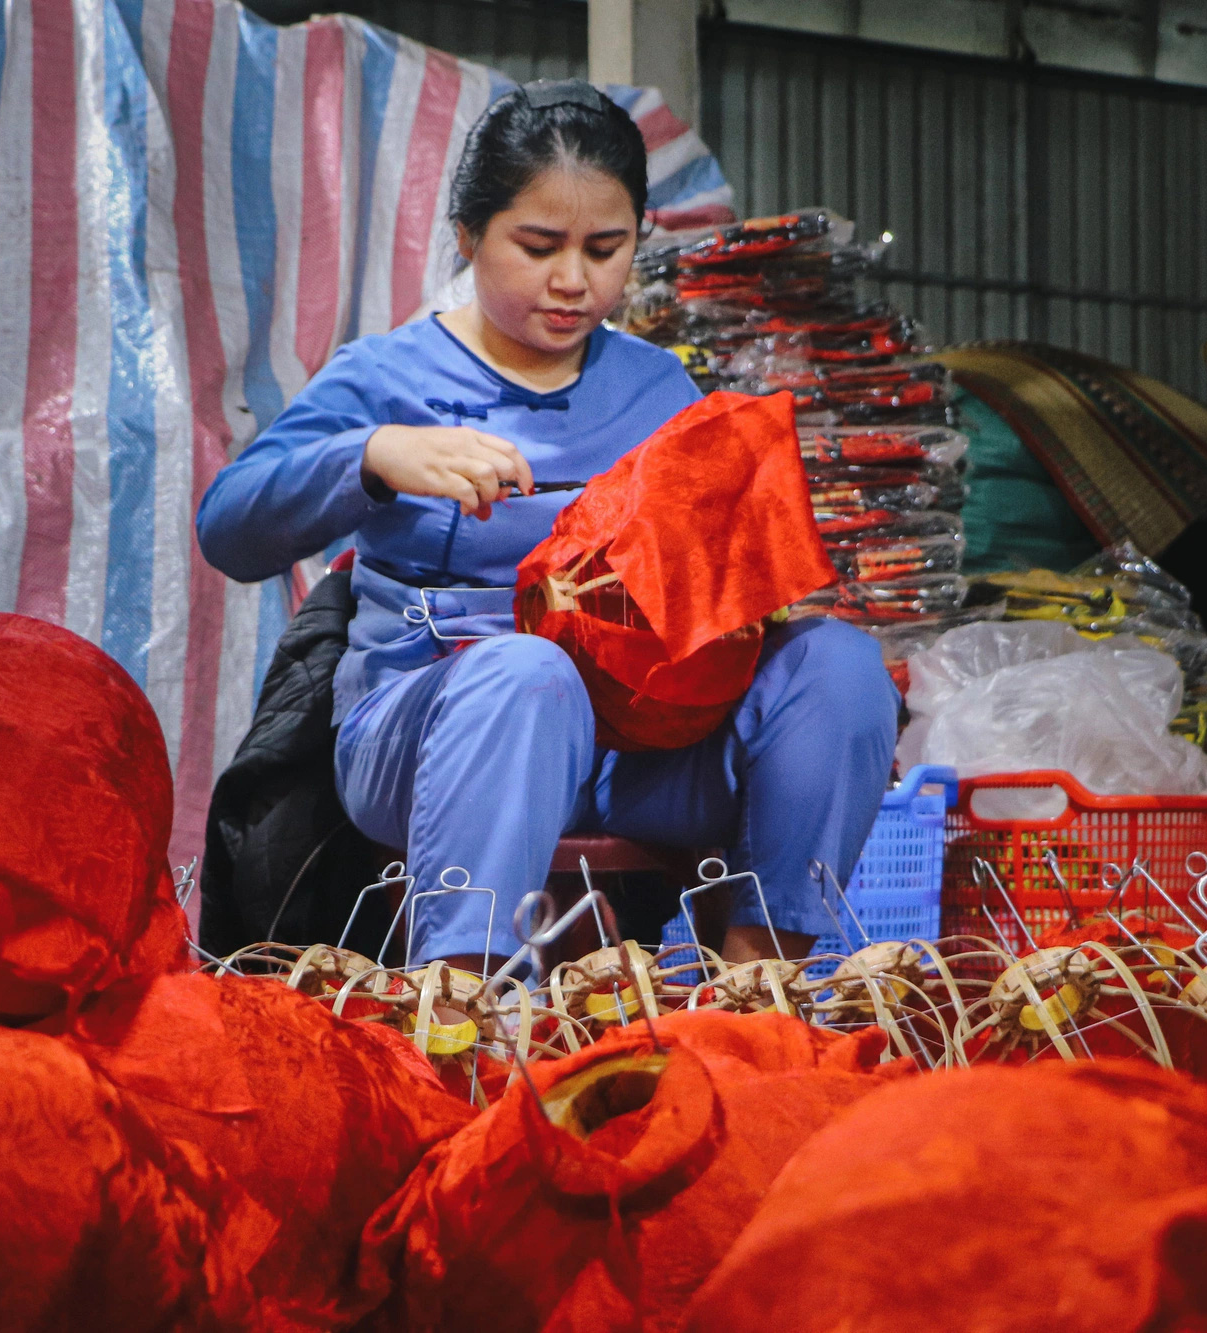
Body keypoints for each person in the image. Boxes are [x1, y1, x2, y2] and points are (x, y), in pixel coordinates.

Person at [196, 80, 897, 968]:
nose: (573, 281)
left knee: (838, 667)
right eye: (538, 246)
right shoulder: (387, 377)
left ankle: (761, 984)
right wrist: (372, 456)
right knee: (531, 675)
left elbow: (714, 586)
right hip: (432, 732)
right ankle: (462, 999)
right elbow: (228, 527)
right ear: (468, 237)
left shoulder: (654, 388)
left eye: (606, 249)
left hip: (634, 749)